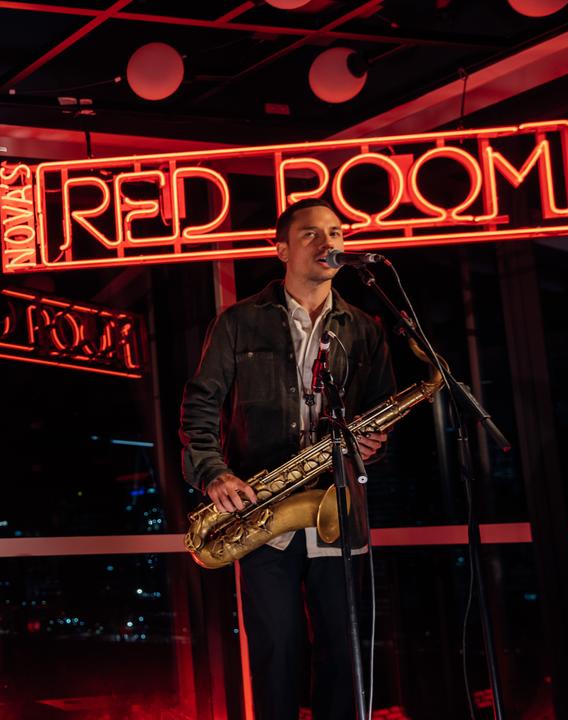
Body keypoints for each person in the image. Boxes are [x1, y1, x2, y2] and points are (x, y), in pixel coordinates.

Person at [179, 198, 397, 719]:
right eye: (310, 234)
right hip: (264, 508)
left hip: (340, 508)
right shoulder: (236, 323)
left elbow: (384, 416)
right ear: (281, 249)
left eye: (336, 231)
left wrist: (377, 444)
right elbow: (199, 407)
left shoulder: (365, 328)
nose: (328, 243)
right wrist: (214, 474)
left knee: (346, 659)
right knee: (277, 655)